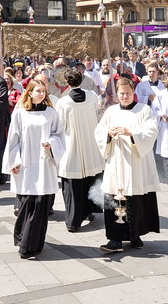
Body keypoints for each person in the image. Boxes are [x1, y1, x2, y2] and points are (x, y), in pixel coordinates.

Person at [95, 76, 159, 253]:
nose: (125, 96)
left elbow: (152, 132)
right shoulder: (111, 111)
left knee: (135, 201)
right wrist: (108, 134)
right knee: (113, 200)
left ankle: (135, 236)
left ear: (133, 92)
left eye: (128, 93)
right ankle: (114, 240)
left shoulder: (144, 110)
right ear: (117, 94)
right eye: (122, 93)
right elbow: (99, 131)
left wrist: (132, 133)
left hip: (135, 164)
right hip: (116, 162)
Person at [3, 78, 65, 258]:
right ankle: (23, 241)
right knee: (27, 203)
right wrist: (14, 162)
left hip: (44, 165)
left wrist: (51, 143)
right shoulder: (20, 113)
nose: (42, 93)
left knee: (41, 205)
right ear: (29, 93)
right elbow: (13, 139)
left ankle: (35, 243)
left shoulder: (51, 113)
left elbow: (59, 135)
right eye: (38, 91)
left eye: (43, 91)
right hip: (26, 165)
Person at [54, 69, 104, 232]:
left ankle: (73, 221)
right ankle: (90, 211)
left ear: (66, 82)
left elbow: (62, 126)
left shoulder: (63, 102)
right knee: (90, 178)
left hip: (72, 145)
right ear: (81, 81)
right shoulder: (92, 96)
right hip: (90, 144)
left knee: (73, 185)